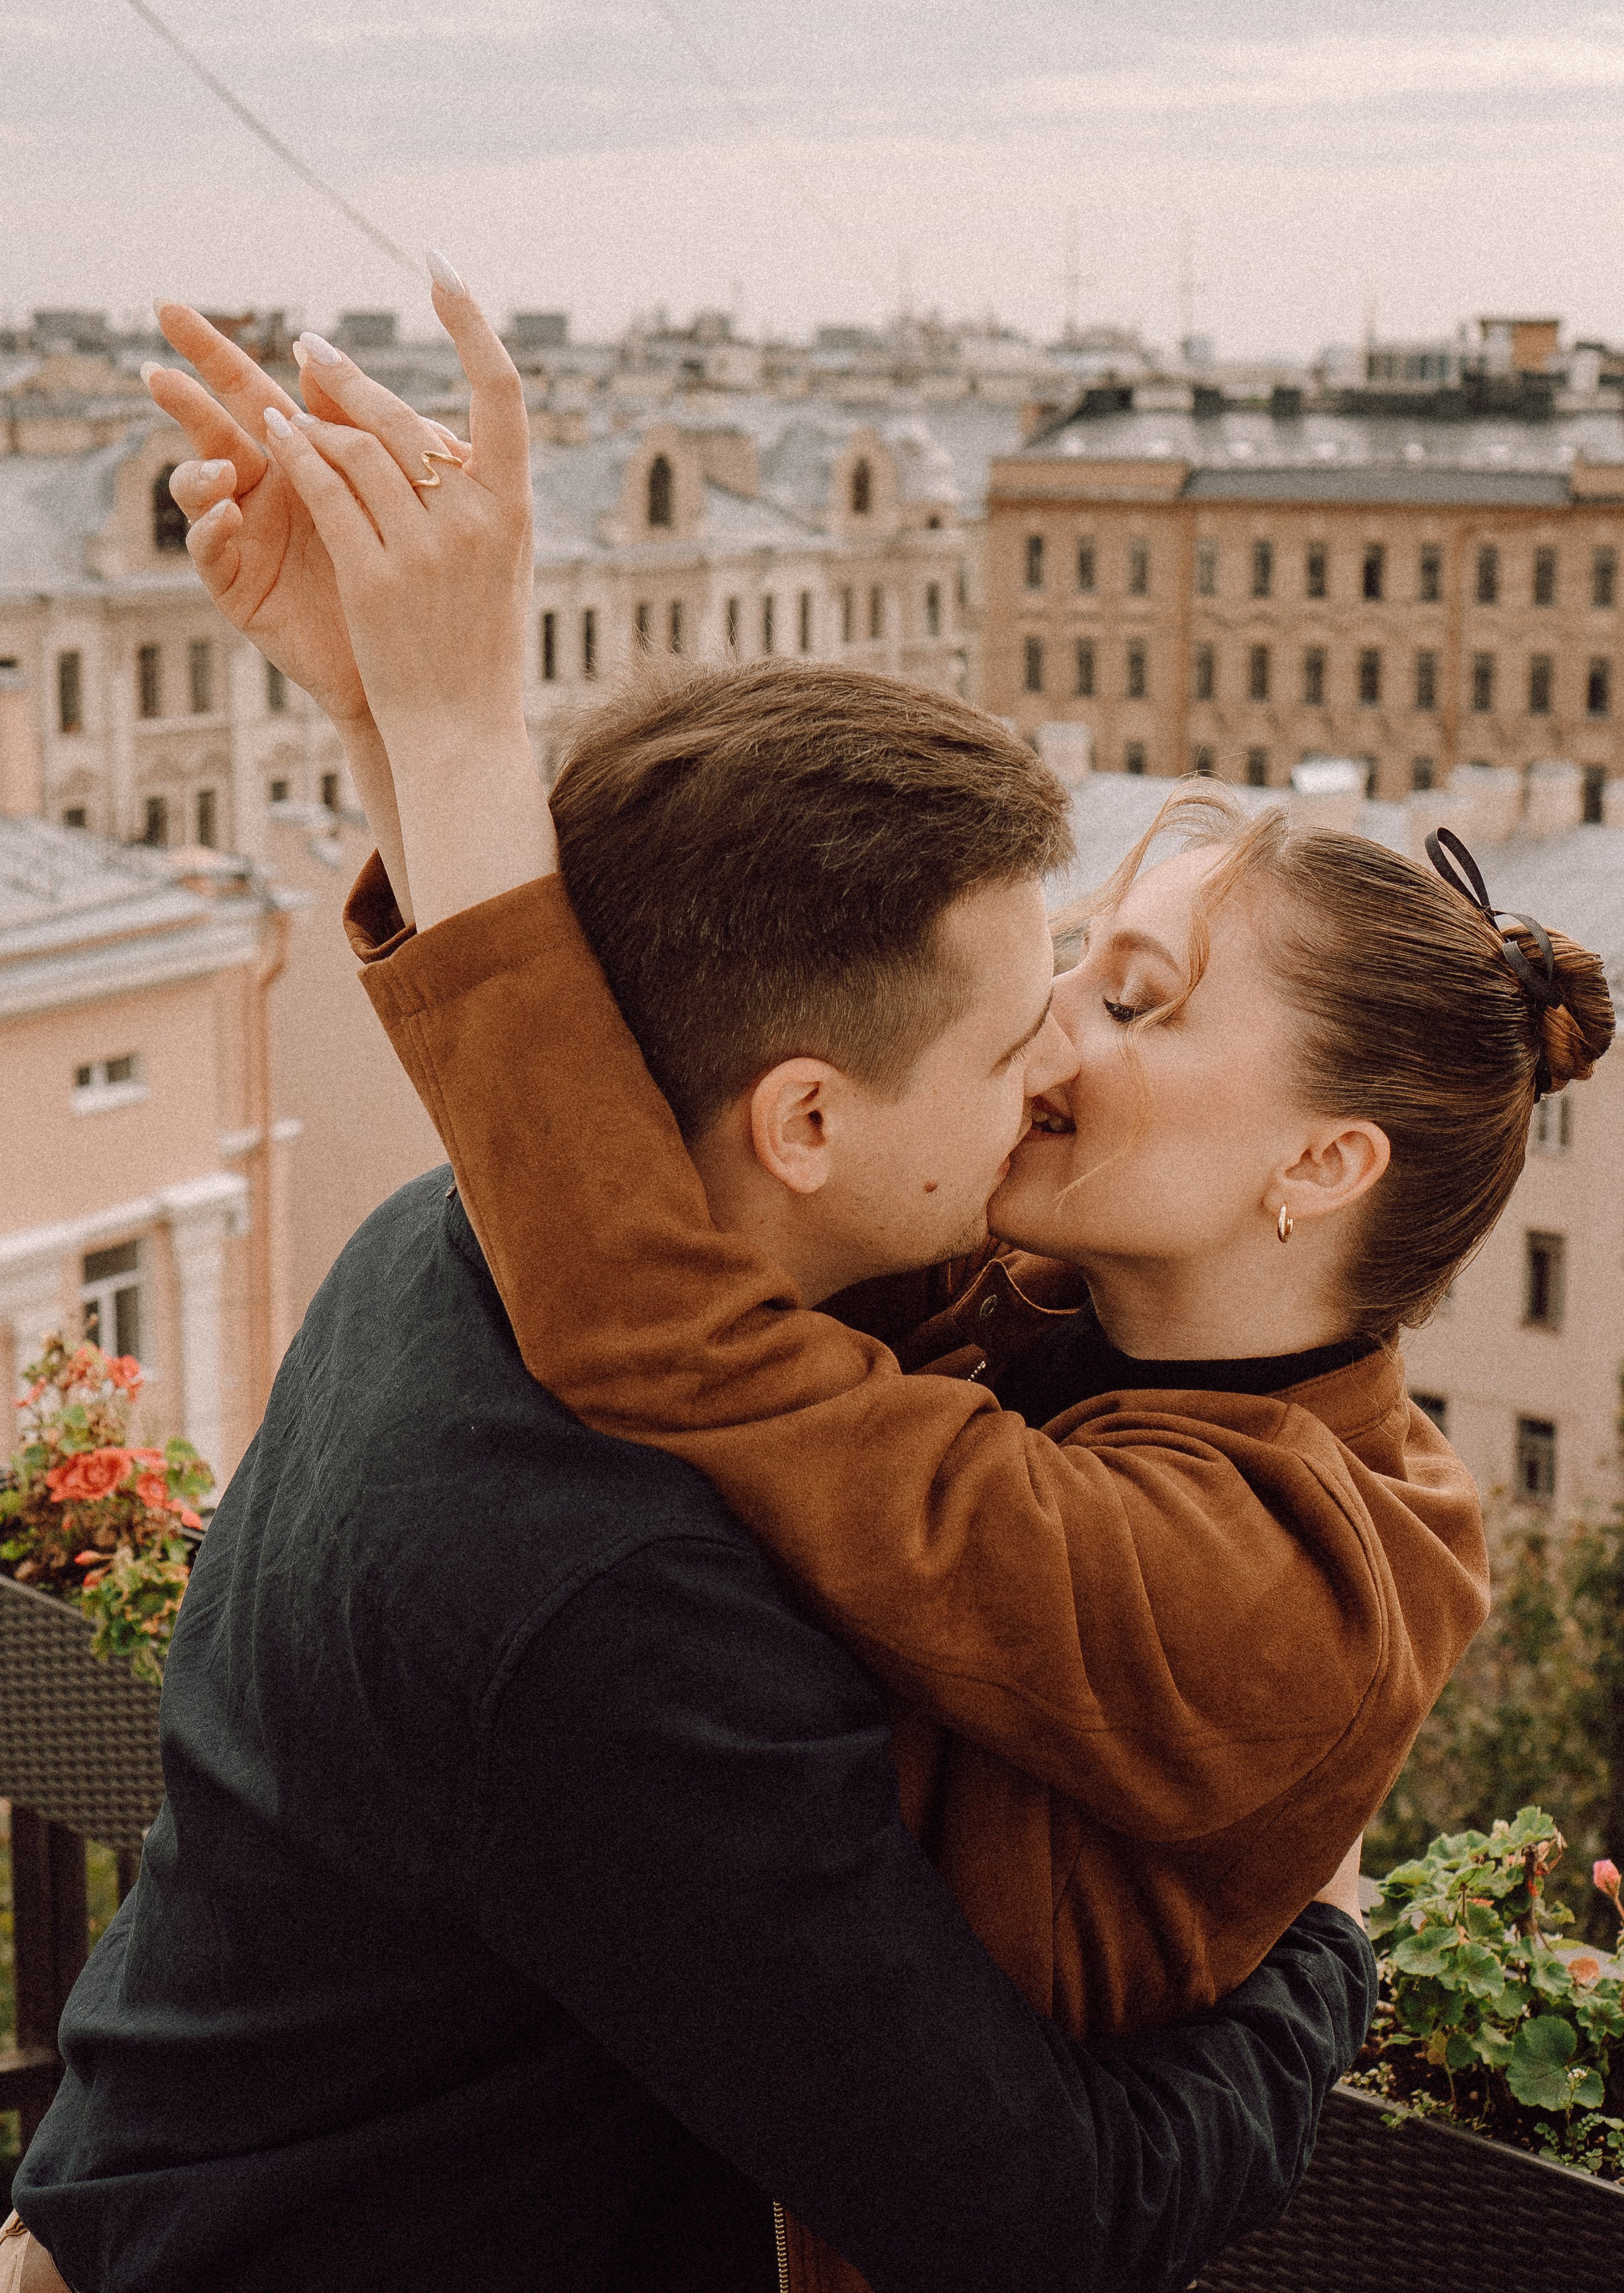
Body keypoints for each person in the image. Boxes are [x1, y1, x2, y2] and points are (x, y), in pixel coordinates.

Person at [1, 287, 1378, 2293]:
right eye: (1014, 1043)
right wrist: (1325, 1956)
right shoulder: (625, 1603)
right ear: (806, 1121)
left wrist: (408, 726)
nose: (1059, 1073)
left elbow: (556, 1082)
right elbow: (1040, 2215)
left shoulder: (446, 1252)